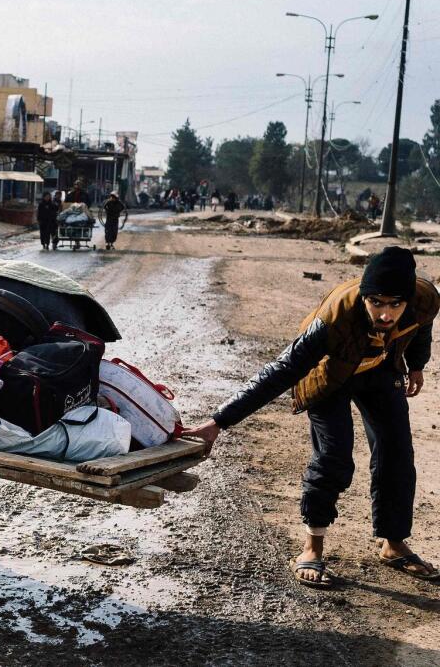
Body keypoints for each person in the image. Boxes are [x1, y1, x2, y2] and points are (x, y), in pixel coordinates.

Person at [185, 247, 439, 588]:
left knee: (397, 453)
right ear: (364, 297)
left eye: (395, 304)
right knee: (334, 457)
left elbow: (421, 327)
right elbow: (280, 371)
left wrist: (418, 364)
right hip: (329, 375)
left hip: (379, 370)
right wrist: (218, 422)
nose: (386, 314)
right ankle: (311, 547)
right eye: (377, 302)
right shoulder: (334, 320)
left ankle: (392, 544)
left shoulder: (423, 298)